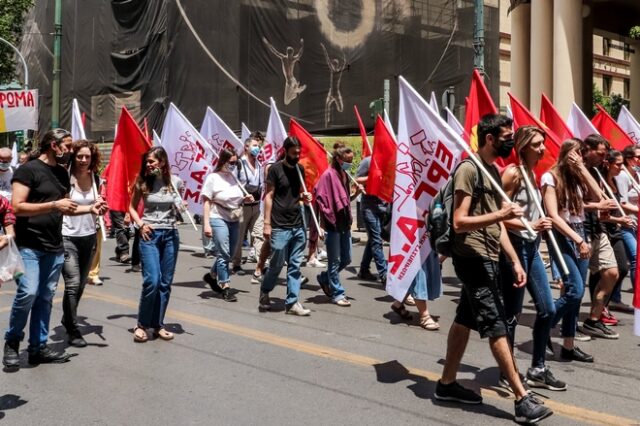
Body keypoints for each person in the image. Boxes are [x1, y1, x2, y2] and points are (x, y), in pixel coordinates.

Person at [435, 115, 552, 424]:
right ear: (489, 139)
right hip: (471, 256)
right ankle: (521, 397)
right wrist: (501, 212)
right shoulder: (469, 170)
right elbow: (459, 222)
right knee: (496, 323)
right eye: (506, 136)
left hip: (489, 255)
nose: (510, 142)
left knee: (464, 320)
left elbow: (498, 226)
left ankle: (446, 384)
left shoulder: (491, 171)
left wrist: (513, 260)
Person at [3, 129, 103, 368]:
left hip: (54, 246)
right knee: (28, 293)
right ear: (52, 145)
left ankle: (38, 347)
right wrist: (53, 204)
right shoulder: (28, 170)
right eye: (66, 146)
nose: (70, 150)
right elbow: (17, 207)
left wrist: (90, 208)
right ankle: (13, 342)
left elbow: (66, 207)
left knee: (46, 298)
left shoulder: (60, 173)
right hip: (29, 246)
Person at [498, 125, 565, 391]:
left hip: (532, 249)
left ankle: (538, 367)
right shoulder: (512, 174)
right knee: (512, 313)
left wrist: (539, 226)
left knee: (547, 309)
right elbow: (499, 216)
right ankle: (508, 369)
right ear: (523, 146)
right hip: (514, 249)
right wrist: (529, 225)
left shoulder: (532, 174)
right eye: (537, 144)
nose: (542, 148)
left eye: (543, 143)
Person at [541, 138, 601, 362]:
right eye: (576, 154)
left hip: (579, 235)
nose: (580, 158)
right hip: (564, 237)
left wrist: (582, 169)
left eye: (582, 155)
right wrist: (578, 240)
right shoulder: (550, 177)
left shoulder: (576, 175)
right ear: (566, 153)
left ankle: (568, 344)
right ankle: (544, 324)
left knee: (574, 296)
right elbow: (554, 216)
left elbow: (597, 196)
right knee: (574, 289)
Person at [129, 146, 183, 343]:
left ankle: (158, 324)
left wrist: (181, 207)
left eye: (152, 161)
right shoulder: (142, 182)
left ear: (162, 162)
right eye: (147, 162)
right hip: (149, 235)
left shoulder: (175, 182)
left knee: (165, 283)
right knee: (152, 280)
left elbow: (179, 211)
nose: (149, 165)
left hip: (170, 235)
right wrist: (141, 225)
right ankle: (142, 324)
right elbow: (132, 208)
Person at [258, 137, 313, 315]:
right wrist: (267, 223)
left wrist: (304, 197)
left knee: (295, 266)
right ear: (286, 150)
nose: (297, 156)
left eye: (299, 152)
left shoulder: (300, 169)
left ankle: (292, 303)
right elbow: (269, 196)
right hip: (279, 225)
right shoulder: (275, 169)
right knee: (276, 264)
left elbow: (296, 194)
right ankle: (265, 291)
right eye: (293, 153)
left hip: (298, 223)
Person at [60, 140, 106, 347]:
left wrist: (101, 206)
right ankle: (72, 328)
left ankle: (67, 318)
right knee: (72, 283)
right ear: (73, 157)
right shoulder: (63, 178)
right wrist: (89, 209)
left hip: (89, 237)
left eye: (87, 157)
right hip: (66, 236)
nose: (83, 160)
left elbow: (98, 206)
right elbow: (63, 208)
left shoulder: (95, 178)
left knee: (79, 285)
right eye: (79, 156)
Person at [579, 135, 620, 339]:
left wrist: (604, 212)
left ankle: (593, 320)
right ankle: (568, 325)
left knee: (611, 272)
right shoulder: (576, 171)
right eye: (601, 153)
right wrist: (596, 206)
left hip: (597, 228)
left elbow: (600, 199)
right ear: (588, 149)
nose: (604, 158)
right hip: (580, 229)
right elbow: (568, 204)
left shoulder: (597, 171)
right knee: (574, 283)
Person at [202, 148, 254, 302]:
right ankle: (225, 286)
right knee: (224, 253)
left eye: (235, 162)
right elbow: (206, 201)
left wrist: (245, 199)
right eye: (231, 162)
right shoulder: (213, 178)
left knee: (230, 253)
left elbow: (236, 198)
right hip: (218, 216)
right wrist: (206, 224)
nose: (233, 165)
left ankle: (212, 275)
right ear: (223, 161)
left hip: (234, 217)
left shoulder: (234, 177)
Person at [314, 143, 363, 306]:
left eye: (351, 160)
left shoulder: (344, 174)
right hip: (332, 224)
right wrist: (321, 224)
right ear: (338, 159)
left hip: (344, 224)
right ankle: (337, 293)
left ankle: (324, 278)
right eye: (347, 160)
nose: (349, 163)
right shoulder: (328, 175)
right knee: (334, 261)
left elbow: (345, 201)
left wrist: (356, 193)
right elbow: (321, 199)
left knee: (347, 258)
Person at [590, 150, 631, 327]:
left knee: (622, 268)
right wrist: (619, 219)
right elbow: (600, 214)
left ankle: (603, 305)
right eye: (618, 164)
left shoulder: (613, 182)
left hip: (616, 230)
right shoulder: (599, 182)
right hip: (603, 229)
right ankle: (597, 310)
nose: (621, 168)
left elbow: (619, 205)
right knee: (599, 272)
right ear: (608, 164)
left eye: (622, 164)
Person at [611, 144, 639, 313]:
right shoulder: (622, 176)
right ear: (629, 159)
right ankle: (637, 298)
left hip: (635, 223)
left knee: (625, 264)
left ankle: (614, 297)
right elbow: (621, 202)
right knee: (635, 258)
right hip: (624, 223)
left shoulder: (636, 175)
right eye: (638, 157)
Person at [231, 136, 264, 275]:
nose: (258, 148)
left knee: (259, 235)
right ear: (246, 147)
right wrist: (242, 197)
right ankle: (236, 264)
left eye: (259, 146)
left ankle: (261, 263)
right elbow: (231, 185)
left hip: (256, 206)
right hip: (242, 207)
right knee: (239, 237)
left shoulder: (259, 164)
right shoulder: (238, 164)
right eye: (255, 145)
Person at [355, 155, 388, 284]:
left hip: (384, 206)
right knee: (376, 240)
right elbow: (357, 179)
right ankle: (384, 274)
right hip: (369, 207)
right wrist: (373, 177)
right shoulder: (368, 161)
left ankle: (364, 269)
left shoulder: (391, 161)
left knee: (373, 240)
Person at [390, 251, 441, 330]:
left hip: (426, 243)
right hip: (418, 244)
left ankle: (398, 303)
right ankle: (425, 316)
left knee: (416, 275)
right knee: (419, 275)